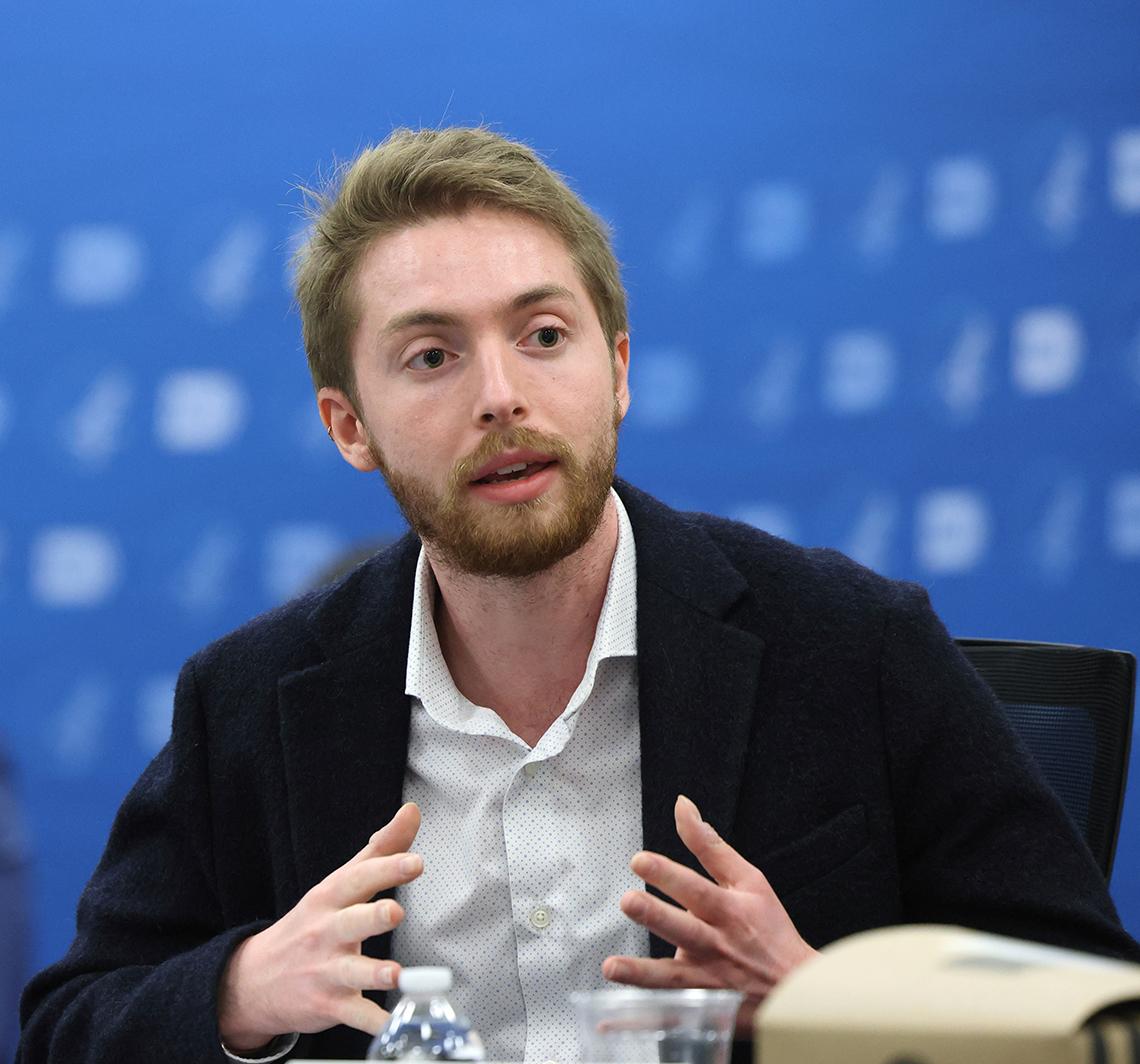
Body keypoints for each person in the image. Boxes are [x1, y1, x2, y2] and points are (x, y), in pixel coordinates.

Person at [19, 127, 1140, 1064]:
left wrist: (816, 995)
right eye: (430, 356)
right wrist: (240, 986)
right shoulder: (252, 697)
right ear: (346, 425)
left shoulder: (853, 646)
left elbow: (1093, 1009)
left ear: (618, 367)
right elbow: (69, 1022)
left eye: (543, 336)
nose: (503, 396)